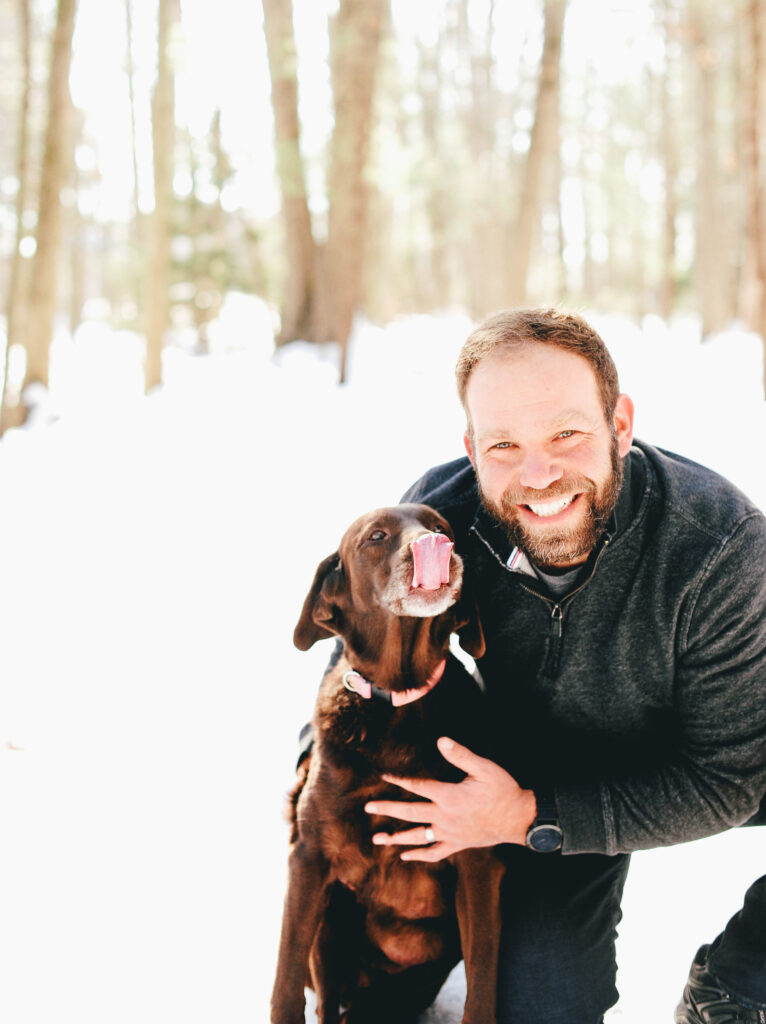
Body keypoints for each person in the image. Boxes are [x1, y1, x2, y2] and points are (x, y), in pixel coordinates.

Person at [358, 308, 766, 1023]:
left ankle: (742, 982)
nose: (538, 475)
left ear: (620, 422)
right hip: (539, 767)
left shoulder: (719, 546)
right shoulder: (440, 519)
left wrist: (527, 817)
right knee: (540, 1008)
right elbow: (362, 661)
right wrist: (327, 782)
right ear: (472, 446)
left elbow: (726, 779)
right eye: (505, 445)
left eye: (567, 434)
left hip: (713, 746)